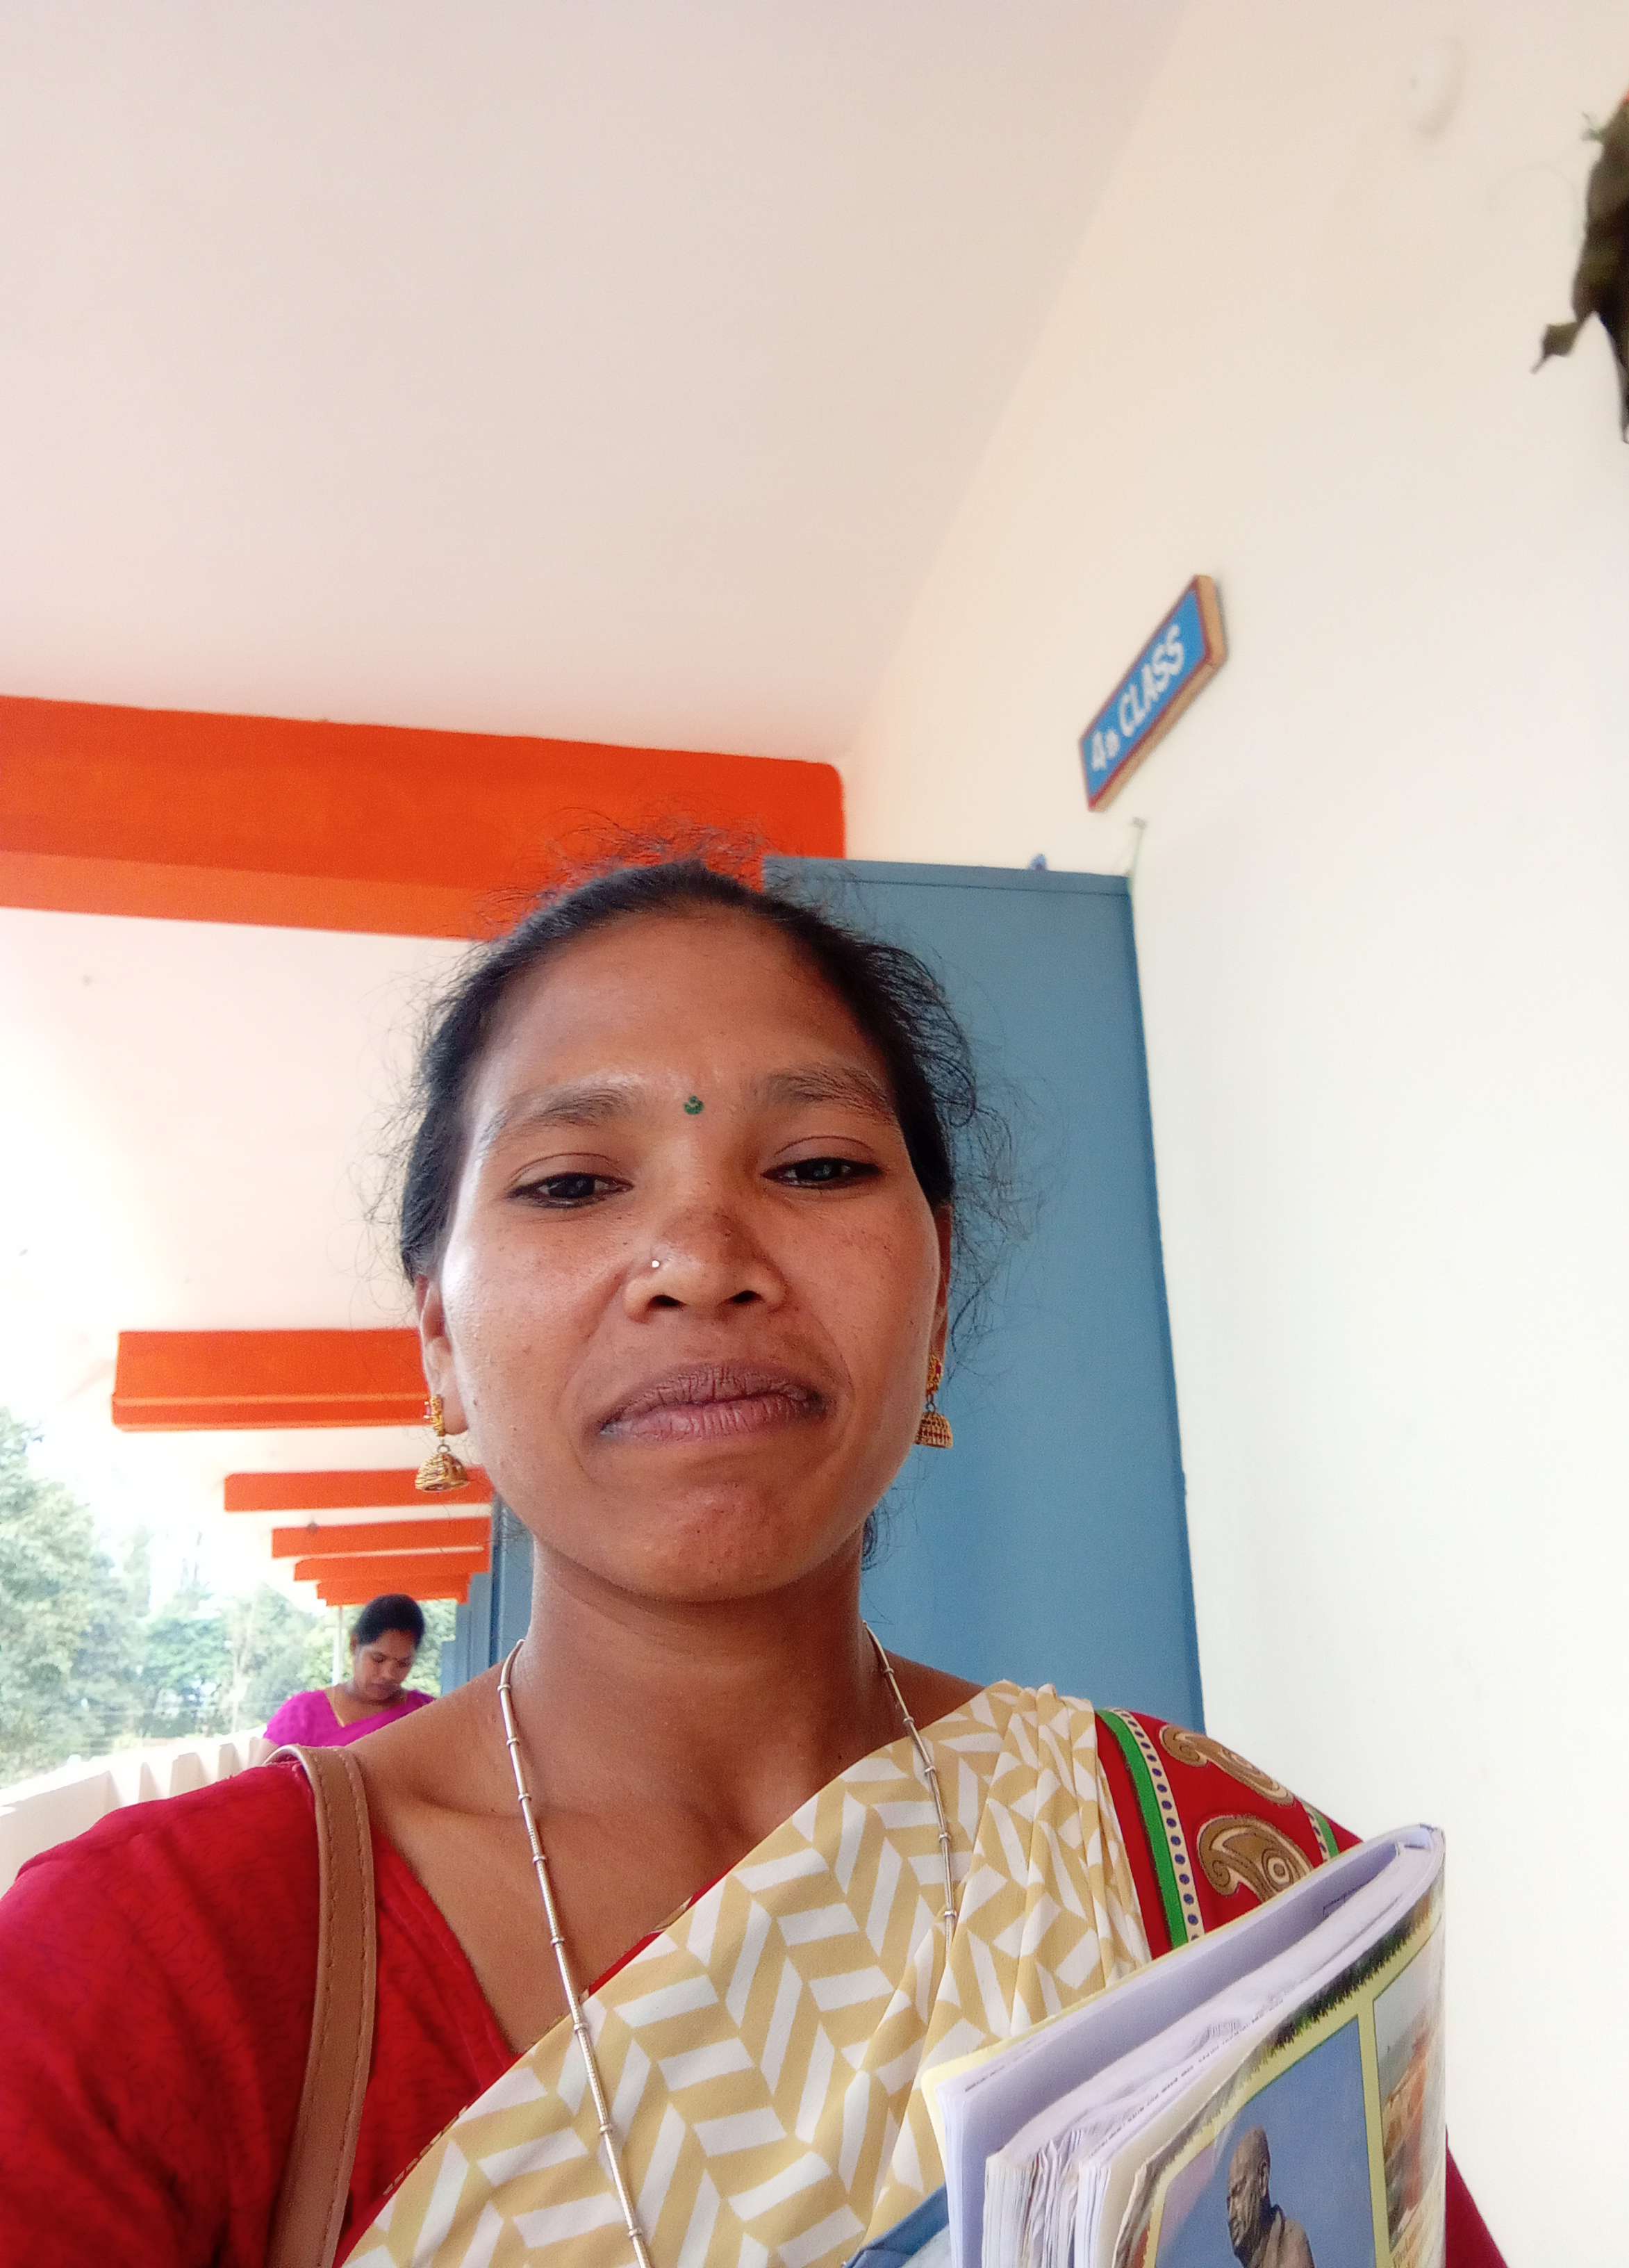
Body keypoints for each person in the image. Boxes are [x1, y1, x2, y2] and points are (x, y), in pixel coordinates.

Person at [0, 857, 1503, 2267]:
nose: (703, 1257)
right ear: (440, 1341)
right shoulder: (147, 1974)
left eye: (818, 1163)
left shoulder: (1205, 1869)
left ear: (937, 1297)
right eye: (573, 1183)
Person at [257, 1593, 433, 1755]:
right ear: (354, 1645)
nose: (389, 1675)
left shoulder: (425, 1714)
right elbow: (258, 1776)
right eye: (378, 1659)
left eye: (403, 1663)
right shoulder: (302, 1713)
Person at [1227, 2128, 1316, 2268]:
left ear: (1262, 2179)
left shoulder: (1289, 2242)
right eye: (1228, 2203)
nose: (1231, 2215)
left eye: (1238, 2192)